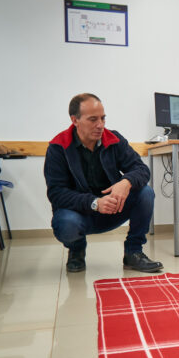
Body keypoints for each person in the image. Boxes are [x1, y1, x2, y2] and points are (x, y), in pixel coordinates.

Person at [44, 93, 163, 273]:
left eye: (102, 118)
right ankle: (76, 250)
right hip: (80, 214)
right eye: (93, 119)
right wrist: (94, 203)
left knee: (145, 193)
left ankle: (134, 252)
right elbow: (56, 193)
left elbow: (141, 169)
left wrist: (126, 181)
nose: (100, 125)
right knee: (66, 223)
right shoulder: (58, 147)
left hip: (112, 208)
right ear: (74, 120)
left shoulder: (114, 140)